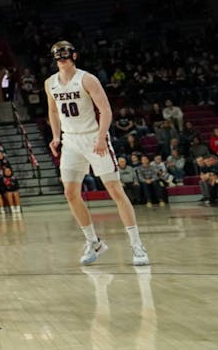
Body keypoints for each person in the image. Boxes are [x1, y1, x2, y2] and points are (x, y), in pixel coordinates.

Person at [45, 40, 150, 267]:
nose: (61, 59)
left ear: (74, 56)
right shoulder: (50, 83)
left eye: (65, 54)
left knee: (115, 190)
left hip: (93, 137)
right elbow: (53, 111)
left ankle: (137, 244)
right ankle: (94, 242)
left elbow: (105, 110)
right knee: (70, 193)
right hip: (70, 141)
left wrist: (102, 136)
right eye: (58, 55)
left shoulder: (87, 79)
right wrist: (56, 136)